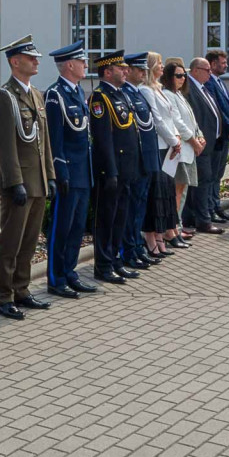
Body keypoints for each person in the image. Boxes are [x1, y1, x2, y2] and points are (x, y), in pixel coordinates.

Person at [0, 35, 56, 318]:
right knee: (11, 242)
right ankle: (3, 296)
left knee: (29, 241)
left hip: (37, 180)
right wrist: (15, 182)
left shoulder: (36, 95)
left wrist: (49, 175)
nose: (36, 61)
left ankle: (22, 289)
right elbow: (3, 144)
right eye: (31, 58)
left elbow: (45, 141)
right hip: (18, 183)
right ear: (15, 62)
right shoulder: (5, 97)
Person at [43, 41, 97, 298]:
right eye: (82, 61)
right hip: (68, 172)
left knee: (77, 226)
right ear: (69, 65)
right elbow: (54, 138)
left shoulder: (76, 92)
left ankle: (70, 271)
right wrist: (59, 171)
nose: (86, 64)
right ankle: (55, 278)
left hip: (83, 171)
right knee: (61, 227)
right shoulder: (55, 95)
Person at [89, 50, 141, 284]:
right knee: (107, 219)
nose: (126, 71)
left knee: (121, 218)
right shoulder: (100, 98)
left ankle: (116, 260)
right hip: (111, 170)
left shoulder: (122, 95)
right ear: (108, 72)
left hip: (126, 168)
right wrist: (110, 170)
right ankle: (103, 265)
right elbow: (103, 138)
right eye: (121, 68)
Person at [121, 53, 163, 269]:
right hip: (134, 161)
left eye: (144, 70)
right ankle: (129, 249)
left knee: (139, 206)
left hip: (145, 159)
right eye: (139, 70)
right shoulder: (126, 94)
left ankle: (136, 247)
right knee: (130, 209)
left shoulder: (136, 93)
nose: (142, 73)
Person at [140, 52, 182, 256]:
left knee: (165, 193)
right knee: (155, 195)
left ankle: (160, 234)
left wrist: (176, 138)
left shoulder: (159, 89)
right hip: (159, 145)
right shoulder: (146, 90)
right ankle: (151, 237)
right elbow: (157, 120)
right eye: (159, 63)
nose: (162, 67)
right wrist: (174, 141)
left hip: (170, 145)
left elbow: (171, 117)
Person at [160, 61, 203, 245]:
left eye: (183, 75)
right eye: (178, 75)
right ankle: (172, 229)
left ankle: (176, 226)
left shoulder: (179, 95)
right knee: (177, 191)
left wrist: (200, 136)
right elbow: (177, 122)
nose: (182, 78)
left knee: (182, 190)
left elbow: (191, 121)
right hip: (180, 150)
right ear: (169, 77)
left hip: (189, 150)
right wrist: (194, 141)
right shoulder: (168, 94)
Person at [185, 57, 225, 235]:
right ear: (195, 71)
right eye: (206, 69)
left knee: (206, 180)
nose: (210, 73)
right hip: (199, 146)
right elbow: (192, 118)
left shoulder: (203, 87)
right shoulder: (189, 89)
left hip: (210, 144)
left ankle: (196, 217)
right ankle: (203, 221)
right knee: (202, 182)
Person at [203, 50, 229, 221]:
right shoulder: (209, 82)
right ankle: (210, 208)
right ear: (212, 64)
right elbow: (217, 108)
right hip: (217, 135)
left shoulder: (220, 82)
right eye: (222, 63)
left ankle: (216, 206)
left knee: (218, 173)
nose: (226, 65)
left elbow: (228, 107)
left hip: (224, 135)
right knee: (212, 175)